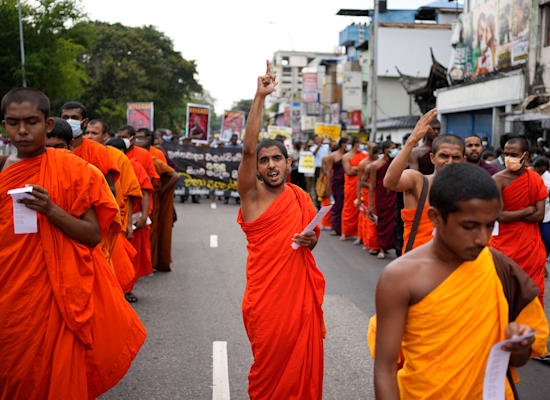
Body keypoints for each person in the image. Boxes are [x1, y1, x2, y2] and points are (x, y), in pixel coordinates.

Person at [0, 87, 146, 398]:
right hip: (12, 297)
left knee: (58, 378)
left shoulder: (75, 170)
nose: (22, 131)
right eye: (14, 123)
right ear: (4, 125)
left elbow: (93, 234)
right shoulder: (2, 171)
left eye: (31, 122)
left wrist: (50, 210)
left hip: (57, 296)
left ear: (47, 124)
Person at [372, 163, 548, 399]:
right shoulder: (400, 277)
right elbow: (385, 368)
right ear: (435, 217)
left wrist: (520, 345)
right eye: (470, 226)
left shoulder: (500, 267)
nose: (483, 238)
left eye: (490, 226)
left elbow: (519, 358)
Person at [236, 61, 325, 399]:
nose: (271, 165)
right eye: (264, 160)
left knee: (301, 373)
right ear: (257, 167)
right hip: (266, 303)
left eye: (277, 159)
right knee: (268, 373)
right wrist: (259, 97)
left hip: (298, 303)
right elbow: (247, 148)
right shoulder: (252, 195)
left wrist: (310, 239)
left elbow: (311, 242)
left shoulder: (301, 196)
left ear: (290, 163)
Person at [384, 110, 465, 254]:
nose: (449, 162)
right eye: (444, 156)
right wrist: (412, 141)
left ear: (463, 160)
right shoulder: (418, 181)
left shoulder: (469, 189)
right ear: (433, 158)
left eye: (456, 157)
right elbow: (390, 183)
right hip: (418, 265)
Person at [87, 121, 144, 297]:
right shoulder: (72, 154)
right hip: (84, 219)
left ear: (105, 137)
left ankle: (120, 292)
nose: (89, 136)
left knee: (115, 262)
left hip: (112, 217)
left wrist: (127, 222)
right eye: (87, 132)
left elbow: (130, 190)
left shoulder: (116, 156)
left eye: (94, 133)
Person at [491, 136, 548, 304]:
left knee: (532, 293)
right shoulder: (498, 179)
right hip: (504, 245)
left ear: (526, 156)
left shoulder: (535, 179)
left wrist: (513, 215)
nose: (509, 158)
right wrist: (527, 210)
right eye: (506, 154)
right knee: (503, 293)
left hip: (530, 246)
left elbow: (540, 215)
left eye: (514, 155)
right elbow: (498, 215)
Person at [135, 129, 179, 272]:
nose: (137, 141)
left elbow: (170, 175)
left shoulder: (156, 156)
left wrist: (161, 190)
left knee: (151, 232)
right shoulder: (127, 155)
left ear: (149, 140)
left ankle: (150, 263)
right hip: (134, 200)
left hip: (150, 199)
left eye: (141, 138)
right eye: (137, 138)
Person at [61, 102, 119, 196]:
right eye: (65, 117)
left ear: (85, 122)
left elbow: (111, 189)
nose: (69, 121)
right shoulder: (51, 148)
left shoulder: (98, 150)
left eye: (75, 117)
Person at [368, 141, 398, 259]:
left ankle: (395, 247)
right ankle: (381, 247)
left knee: (394, 222)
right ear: (385, 150)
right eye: (391, 148)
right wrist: (371, 203)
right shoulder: (376, 165)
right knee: (382, 222)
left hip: (394, 194)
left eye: (395, 148)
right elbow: (372, 185)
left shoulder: (396, 163)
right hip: (381, 194)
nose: (393, 151)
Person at [340, 137, 367, 242]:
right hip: (351, 185)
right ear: (356, 144)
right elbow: (349, 172)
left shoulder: (365, 156)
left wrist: (356, 168)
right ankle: (345, 232)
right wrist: (359, 169)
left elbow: (367, 169)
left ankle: (358, 233)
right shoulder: (346, 157)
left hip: (362, 184)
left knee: (360, 208)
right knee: (348, 207)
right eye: (361, 143)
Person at [356, 143, 380, 254]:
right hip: (368, 194)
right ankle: (370, 243)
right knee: (369, 218)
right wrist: (359, 196)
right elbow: (360, 182)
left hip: (380, 194)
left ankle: (373, 242)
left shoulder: (381, 163)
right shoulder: (364, 164)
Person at [325, 137, 349, 237]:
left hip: (348, 182)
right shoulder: (333, 156)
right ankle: (336, 228)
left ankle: (345, 229)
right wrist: (327, 186)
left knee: (347, 206)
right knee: (337, 205)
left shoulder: (349, 155)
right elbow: (329, 172)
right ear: (342, 144)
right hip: (337, 183)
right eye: (348, 143)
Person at [533, 157, 550, 260]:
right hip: (539, 211)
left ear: (544, 167)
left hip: (546, 212)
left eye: (538, 167)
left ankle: (545, 255)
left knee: (545, 236)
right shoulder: (539, 176)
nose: (536, 169)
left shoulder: (547, 179)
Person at [310, 135, 330, 208]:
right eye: (317, 139)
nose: (319, 140)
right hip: (318, 169)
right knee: (318, 184)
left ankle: (326, 200)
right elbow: (314, 153)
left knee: (327, 184)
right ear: (315, 141)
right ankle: (318, 202)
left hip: (327, 168)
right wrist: (319, 145)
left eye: (320, 139)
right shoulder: (313, 148)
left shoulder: (326, 147)